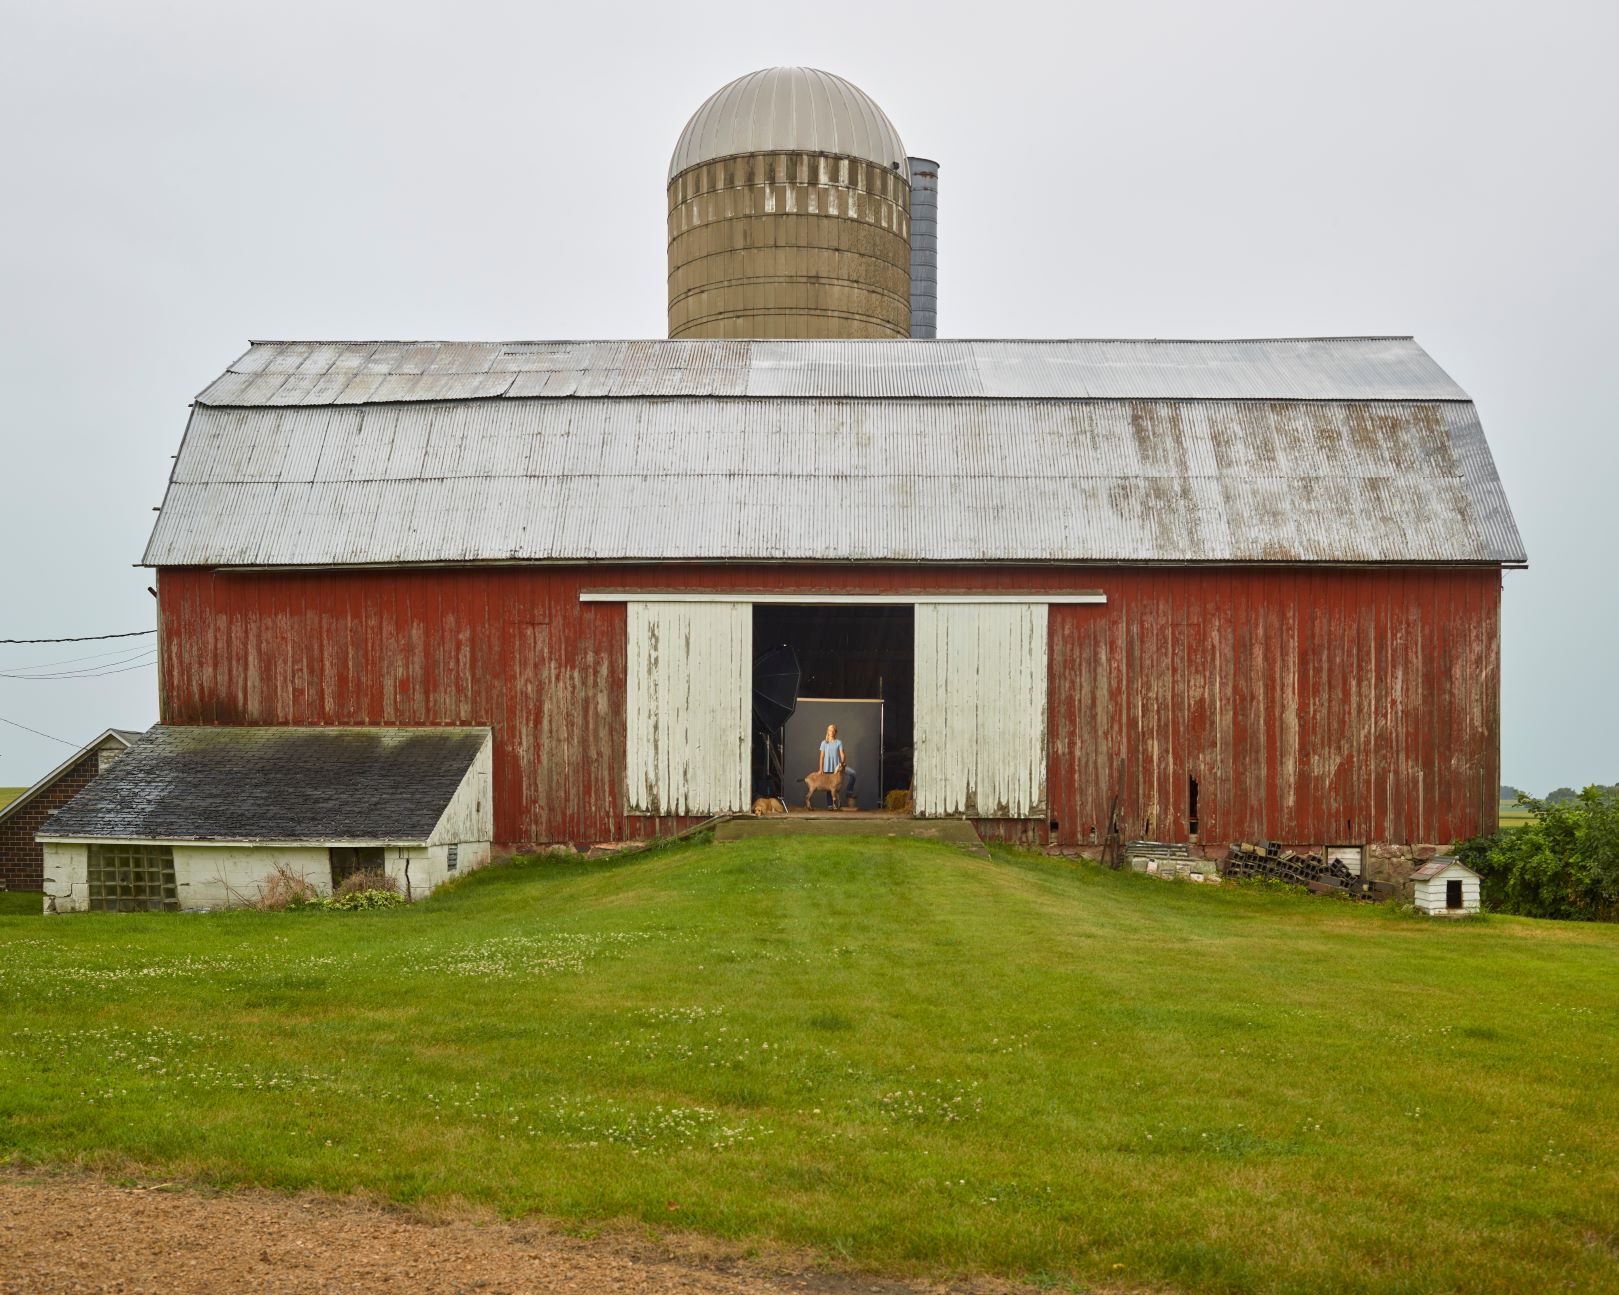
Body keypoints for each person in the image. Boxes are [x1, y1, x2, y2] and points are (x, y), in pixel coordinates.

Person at [814, 724, 857, 808]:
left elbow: (841, 753)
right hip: (827, 767)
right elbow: (821, 757)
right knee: (830, 787)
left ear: (835, 732)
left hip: (837, 767)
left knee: (853, 774)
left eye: (833, 730)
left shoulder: (839, 742)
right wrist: (820, 769)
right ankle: (830, 805)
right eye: (830, 730)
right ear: (828, 731)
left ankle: (849, 791)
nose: (832, 732)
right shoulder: (824, 743)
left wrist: (843, 760)